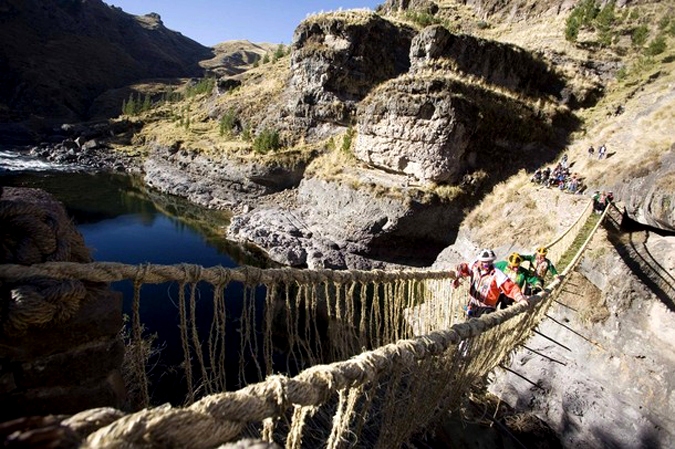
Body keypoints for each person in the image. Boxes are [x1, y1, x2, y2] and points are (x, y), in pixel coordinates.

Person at [452, 248, 530, 318]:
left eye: (489, 262)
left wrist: (520, 298)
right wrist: (459, 270)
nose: (486, 265)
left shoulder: (497, 274)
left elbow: (510, 287)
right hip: (472, 305)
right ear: (479, 261)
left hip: (486, 309)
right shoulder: (475, 266)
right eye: (484, 262)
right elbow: (466, 269)